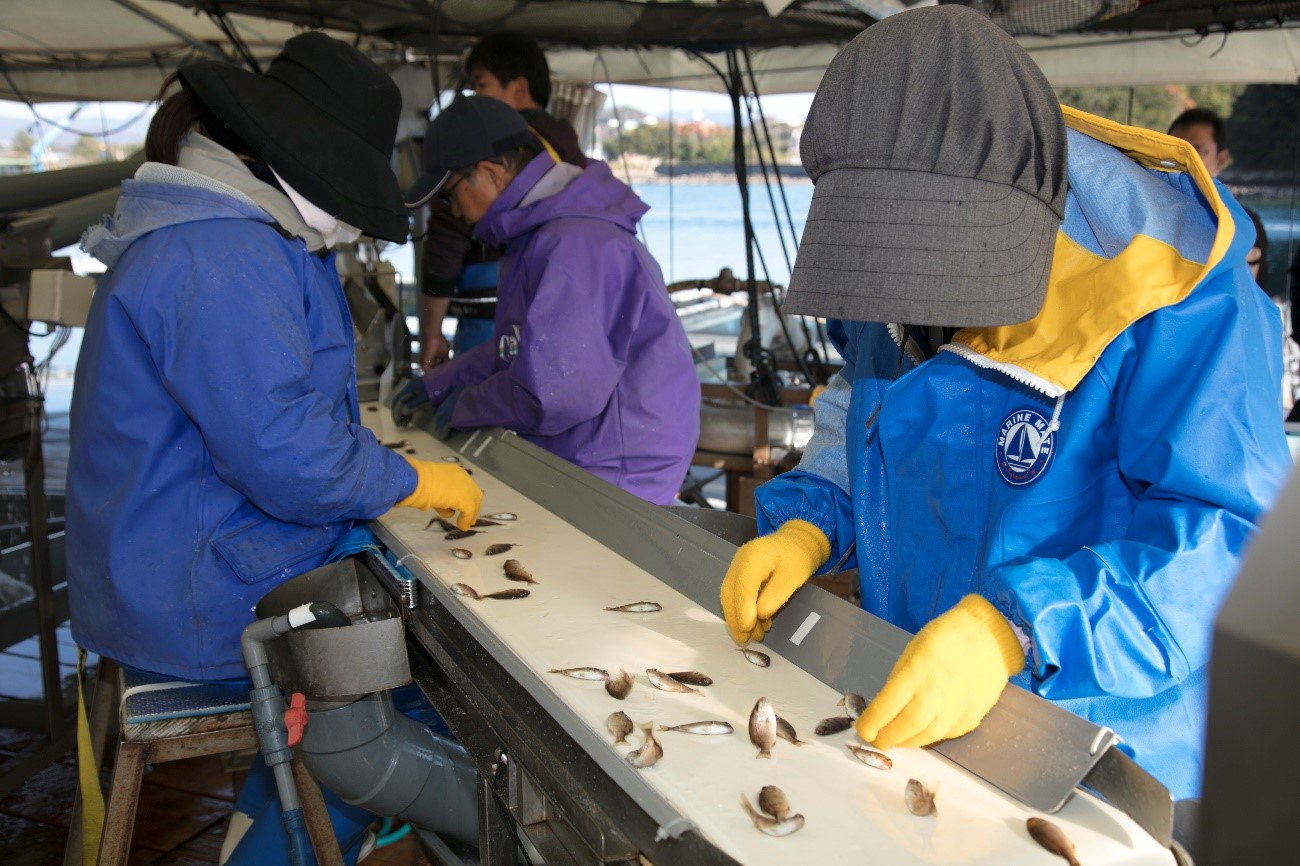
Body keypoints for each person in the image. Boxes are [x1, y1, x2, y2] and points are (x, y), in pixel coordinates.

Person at [719, 3, 1290, 812]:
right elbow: (869, 399)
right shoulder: (890, 251)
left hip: (1112, 758)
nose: (919, 300)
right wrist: (813, 518)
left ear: (1025, 197)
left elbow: (1237, 545)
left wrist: (1018, 628)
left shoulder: (1180, 296)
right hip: (929, 709)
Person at [68, 33, 481, 862]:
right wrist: (410, 480)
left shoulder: (226, 228)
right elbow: (289, 457)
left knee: (407, 642)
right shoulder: (223, 253)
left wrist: (378, 481)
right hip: (194, 595)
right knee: (442, 682)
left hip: (172, 553)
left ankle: (275, 811)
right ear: (307, 163)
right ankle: (368, 812)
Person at [394, 95, 699, 506]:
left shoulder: (574, 244)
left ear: (491, 174)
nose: (452, 212)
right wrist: (438, 384)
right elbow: (518, 349)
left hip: (620, 471)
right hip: (587, 449)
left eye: (448, 196)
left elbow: (555, 392)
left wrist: (463, 406)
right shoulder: (536, 234)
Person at [419, 32, 587, 371]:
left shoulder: (480, 147)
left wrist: (431, 331)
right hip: (555, 319)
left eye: (481, 85)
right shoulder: (569, 150)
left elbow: (446, 238)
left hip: (488, 318)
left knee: (483, 404)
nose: (473, 96)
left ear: (519, 88)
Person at [1169, 107, 1269, 287]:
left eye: (1196, 151)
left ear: (1220, 160)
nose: (1181, 159)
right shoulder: (1146, 210)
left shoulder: (1243, 223)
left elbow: (1248, 291)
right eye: (1173, 149)